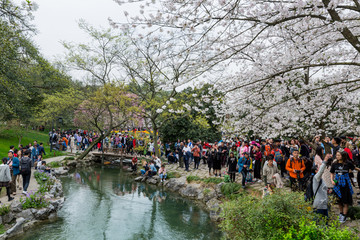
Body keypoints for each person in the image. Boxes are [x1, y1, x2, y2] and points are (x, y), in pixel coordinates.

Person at [330, 151, 360, 223]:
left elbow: (354, 168)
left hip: (346, 184)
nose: (337, 156)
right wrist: (332, 180)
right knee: (339, 201)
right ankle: (341, 213)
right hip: (337, 184)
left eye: (338, 155)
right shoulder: (334, 164)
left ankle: (344, 215)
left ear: (343, 156)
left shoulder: (348, 163)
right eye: (336, 155)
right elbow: (332, 173)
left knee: (345, 201)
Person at [313, 154, 332, 218]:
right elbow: (321, 171)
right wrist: (325, 161)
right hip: (319, 205)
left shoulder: (321, 179)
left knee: (325, 222)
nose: (320, 168)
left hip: (323, 204)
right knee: (319, 222)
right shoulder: (316, 178)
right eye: (318, 168)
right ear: (316, 171)